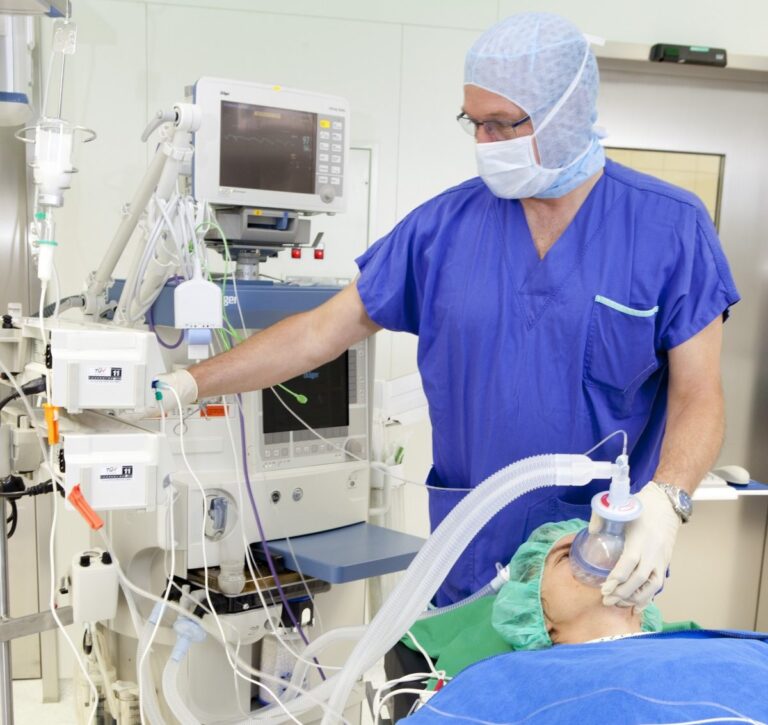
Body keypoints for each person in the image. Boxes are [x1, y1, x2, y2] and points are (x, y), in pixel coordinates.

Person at [158, 13, 739, 610]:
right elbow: (315, 335)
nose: (486, 143)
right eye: (475, 123)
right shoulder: (442, 230)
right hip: (467, 557)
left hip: (594, 567)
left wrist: (669, 502)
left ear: (566, 111)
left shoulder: (670, 227)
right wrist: (185, 384)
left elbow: (699, 395)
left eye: (502, 124)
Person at [397, 520, 768, 725]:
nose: (601, 552)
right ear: (542, 621)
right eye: (565, 558)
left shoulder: (738, 648)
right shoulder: (505, 681)